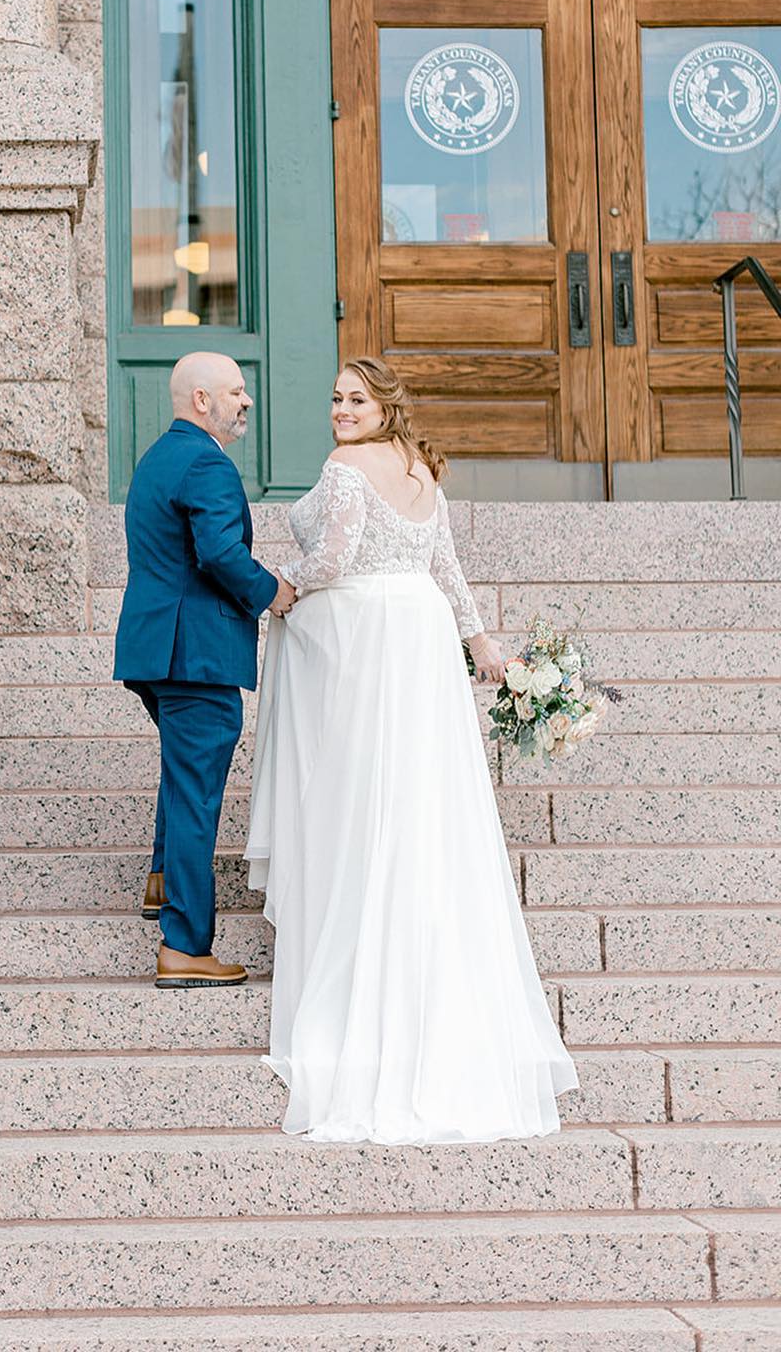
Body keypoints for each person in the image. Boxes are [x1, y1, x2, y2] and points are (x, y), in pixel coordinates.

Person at [246, 356, 579, 1141]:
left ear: (385, 405)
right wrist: (480, 640)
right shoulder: (421, 469)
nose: (340, 410)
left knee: (366, 795)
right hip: (421, 633)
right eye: (333, 399)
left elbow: (332, 559)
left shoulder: (347, 467)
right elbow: (445, 570)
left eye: (355, 399)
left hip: (367, 637)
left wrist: (277, 585)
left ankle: (357, 951)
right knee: (421, 798)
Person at [113, 352, 296, 989]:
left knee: (181, 773)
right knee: (197, 792)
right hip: (195, 655)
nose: (246, 402)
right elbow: (219, 551)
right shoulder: (207, 463)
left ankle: (163, 882)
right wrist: (272, 590)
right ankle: (185, 946)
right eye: (236, 392)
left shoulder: (159, 458)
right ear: (200, 399)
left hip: (157, 651)